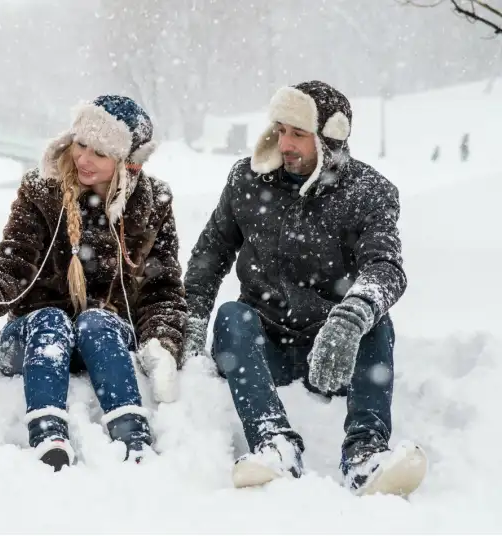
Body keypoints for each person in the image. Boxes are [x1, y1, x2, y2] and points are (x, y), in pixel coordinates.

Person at [182, 81, 427, 497]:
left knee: (376, 321)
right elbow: (209, 257)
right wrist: (190, 325)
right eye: (280, 130)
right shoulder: (246, 180)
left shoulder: (369, 192)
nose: (285, 143)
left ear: (329, 139)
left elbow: (386, 267)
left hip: (335, 353)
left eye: (298, 134)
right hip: (264, 346)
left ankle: (366, 454)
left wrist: (350, 319)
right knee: (231, 316)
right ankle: (274, 443)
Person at [0, 95, 187, 471]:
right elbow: (12, 264)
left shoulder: (152, 202)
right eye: (81, 143)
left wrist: (164, 342)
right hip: (33, 338)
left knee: (96, 320)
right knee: (52, 319)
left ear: (126, 163)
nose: (83, 158)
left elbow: (161, 288)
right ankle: (48, 434)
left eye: (99, 152)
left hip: (103, 340)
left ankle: (133, 434)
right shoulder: (41, 190)